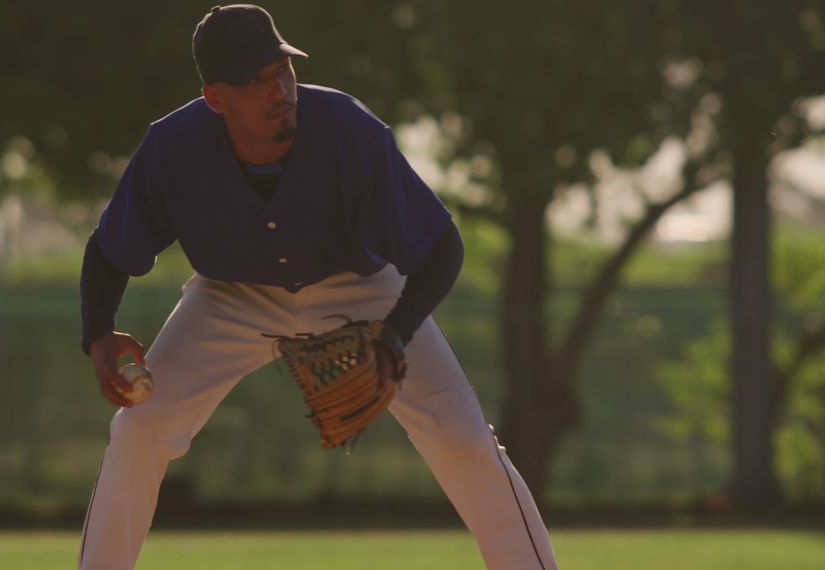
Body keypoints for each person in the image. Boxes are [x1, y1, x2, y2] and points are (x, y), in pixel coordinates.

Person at [77, 4, 559, 569]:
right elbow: (109, 250)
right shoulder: (172, 148)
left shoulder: (348, 130)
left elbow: (441, 248)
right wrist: (99, 334)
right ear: (216, 98)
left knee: (465, 439)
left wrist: (395, 335)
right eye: (254, 80)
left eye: (281, 68)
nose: (278, 87)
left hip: (360, 286)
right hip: (230, 296)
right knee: (140, 430)